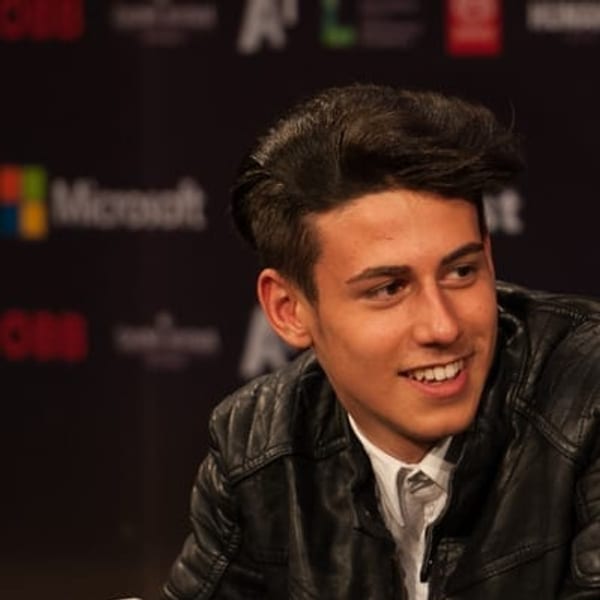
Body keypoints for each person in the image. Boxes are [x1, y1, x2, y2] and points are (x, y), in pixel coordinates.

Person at [162, 84, 600, 599]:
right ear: (288, 309)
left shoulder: (588, 400)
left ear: (488, 256)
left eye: (461, 271)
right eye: (389, 289)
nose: (442, 327)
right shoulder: (257, 451)